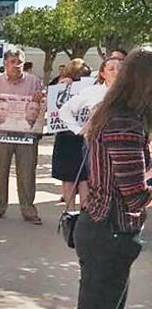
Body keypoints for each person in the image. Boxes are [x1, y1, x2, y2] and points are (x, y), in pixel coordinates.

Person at [55, 48, 152, 309]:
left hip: (112, 233)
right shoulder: (123, 125)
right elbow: (135, 194)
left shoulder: (119, 117)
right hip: (109, 234)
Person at [0, 46, 45, 224]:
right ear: (5, 63)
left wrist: (41, 97)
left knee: (27, 172)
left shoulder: (34, 81)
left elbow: (44, 102)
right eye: (12, 62)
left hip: (27, 135)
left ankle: (28, 210)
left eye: (20, 62)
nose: (16, 65)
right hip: (1, 135)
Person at [56, 57, 121, 208]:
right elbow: (65, 110)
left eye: (120, 69)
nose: (116, 72)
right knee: (97, 181)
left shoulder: (132, 93)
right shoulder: (93, 92)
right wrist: (79, 130)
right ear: (102, 73)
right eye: (111, 69)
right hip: (97, 146)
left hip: (122, 145)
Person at [51, 59, 91, 209]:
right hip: (79, 135)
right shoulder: (62, 85)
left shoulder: (60, 85)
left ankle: (71, 210)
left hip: (69, 136)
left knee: (72, 177)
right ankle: (82, 210)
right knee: (82, 177)